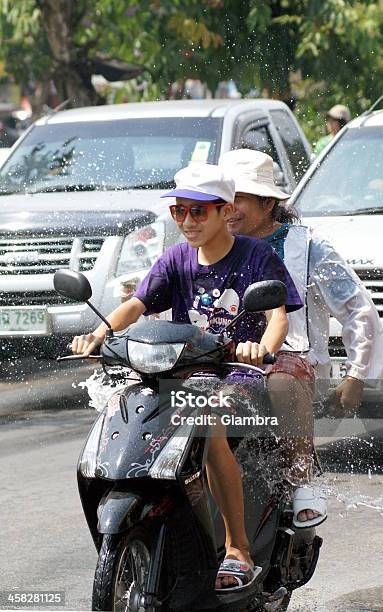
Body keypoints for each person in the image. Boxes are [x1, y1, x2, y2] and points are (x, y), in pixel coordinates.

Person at [71, 162, 303, 591]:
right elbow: (136, 306)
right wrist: (99, 333)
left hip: (238, 373)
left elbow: (276, 317)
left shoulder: (257, 256)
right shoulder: (175, 258)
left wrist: (262, 348)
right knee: (123, 412)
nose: (187, 221)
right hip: (180, 372)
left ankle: (237, 550)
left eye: (198, 211)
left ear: (224, 210)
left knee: (207, 421)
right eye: (180, 212)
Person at [219, 148, 383, 527]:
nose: (228, 209)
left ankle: (301, 479)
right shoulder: (207, 245)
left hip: (294, 365)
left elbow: (358, 310)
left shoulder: (310, 247)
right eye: (222, 200)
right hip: (225, 362)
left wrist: (356, 375)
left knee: (280, 380)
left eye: (238, 199)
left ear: (267, 203)